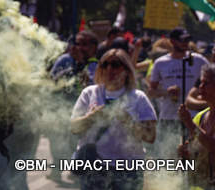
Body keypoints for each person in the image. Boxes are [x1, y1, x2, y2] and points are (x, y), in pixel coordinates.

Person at [70, 48, 157, 190]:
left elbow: (151, 137)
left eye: (115, 65)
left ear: (126, 70)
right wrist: (91, 117)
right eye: (105, 64)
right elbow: (74, 128)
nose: (110, 69)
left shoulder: (138, 97)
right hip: (93, 166)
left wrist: (128, 121)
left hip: (128, 170)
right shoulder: (89, 93)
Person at [148, 27, 208, 156]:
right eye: (182, 40)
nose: (186, 43)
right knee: (169, 154)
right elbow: (151, 92)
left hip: (193, 116)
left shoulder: (199, 60)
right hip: (169, 116)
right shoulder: (161, 63)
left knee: (193, 155)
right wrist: (166, 92)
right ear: (172, 42)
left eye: (187, 40)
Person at [178, 63, 215, 189]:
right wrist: (185, 152)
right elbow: (194, 151)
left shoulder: (193, 122)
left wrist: (190, 124)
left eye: (206, 83)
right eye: (201, 82)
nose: (200, 87)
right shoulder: (200, 117)